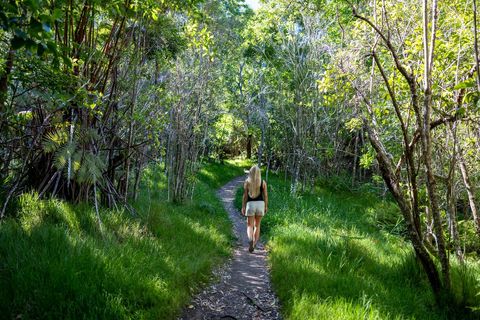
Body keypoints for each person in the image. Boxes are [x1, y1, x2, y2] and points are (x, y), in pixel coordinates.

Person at [241, 165, 268, 253]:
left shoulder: (247, 182)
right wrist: (266, 206)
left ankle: (250, 239)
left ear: (250, 173)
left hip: (250, 205)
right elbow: (266, 196)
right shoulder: (263, 182)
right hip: (260, 204)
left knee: (249, 225)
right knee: (257, 225)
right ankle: (254, 244)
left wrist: (243, 206)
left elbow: (245, 196)